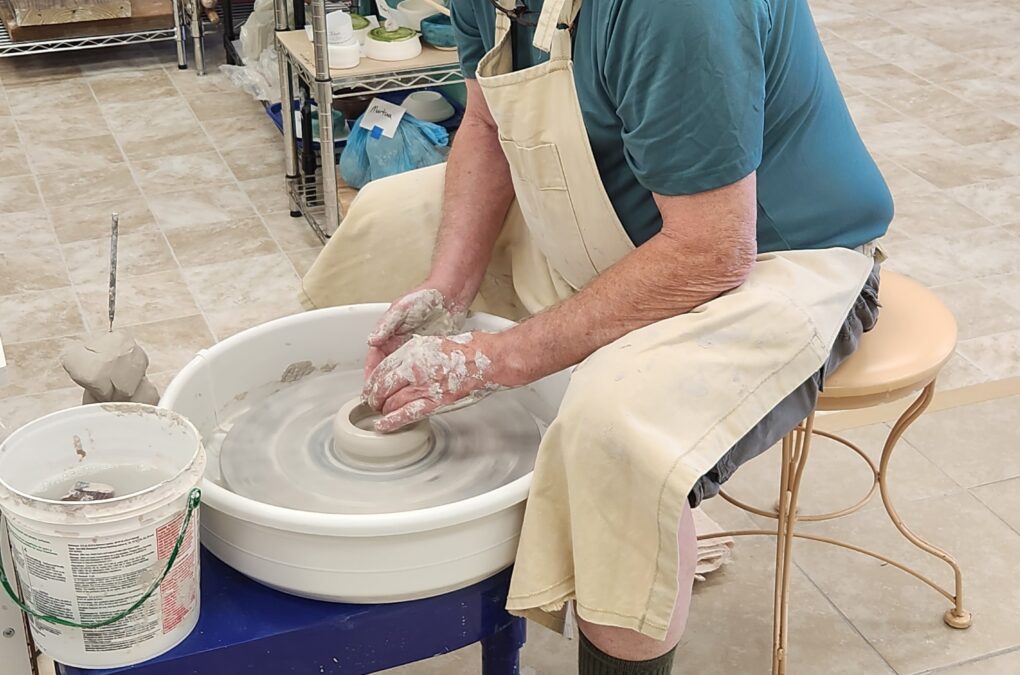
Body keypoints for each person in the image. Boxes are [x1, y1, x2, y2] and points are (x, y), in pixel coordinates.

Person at [301, 0, 892, 672]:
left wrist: (495, 358)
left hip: (779, 255)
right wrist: (449, 286)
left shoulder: (679, 13)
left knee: (612, 429)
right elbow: (490, 124)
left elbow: (712, 252)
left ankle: (643, 540)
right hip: (625, 216)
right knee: (383, 223)